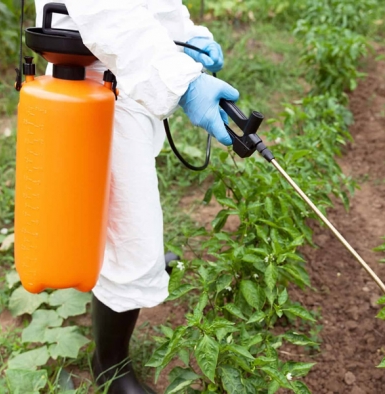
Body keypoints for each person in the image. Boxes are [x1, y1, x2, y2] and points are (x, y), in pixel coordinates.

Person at [34, 1, 239, 392]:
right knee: (130, 229)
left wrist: (187, 32)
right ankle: (109, 365)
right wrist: (184, 82)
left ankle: (130, 273)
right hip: (96, 77)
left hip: (129, 75)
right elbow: (107, 11)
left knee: (123, 201)